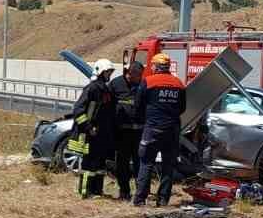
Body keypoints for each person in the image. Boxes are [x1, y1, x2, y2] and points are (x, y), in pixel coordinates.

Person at [134, 53, 187, 207]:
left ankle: (140, 200)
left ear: (156, 67)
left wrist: (144, 119)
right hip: (172, 131)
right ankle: (163, 200)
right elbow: (182, 108)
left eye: (152, 65)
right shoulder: (178, 83)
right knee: (168, 166)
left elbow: (138, 105)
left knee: (146, 163)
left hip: (152, 129)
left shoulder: (148, 81)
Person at [70, 58, 117, 198]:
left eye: (110, 72)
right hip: (90, 134)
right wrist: (88, 127)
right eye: (107, 72)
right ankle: (85, 192)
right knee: (89, 165)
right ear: (100, 72)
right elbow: (78, 110)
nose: (109, 74)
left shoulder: (106, 89)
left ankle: (97, 190)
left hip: (102, 134)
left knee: (100, 165)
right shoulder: (92, 88)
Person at [107, 59, 145, 201]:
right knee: (122, 164)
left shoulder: (142, 85)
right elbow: (107, 105)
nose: (140, 77)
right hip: (122, 132)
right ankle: (124, 192)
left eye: (141, 75)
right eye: (138, 75)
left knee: (139, 164)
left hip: (139, 132)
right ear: (130, 72)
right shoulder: (116, 84)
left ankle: (140, 194)